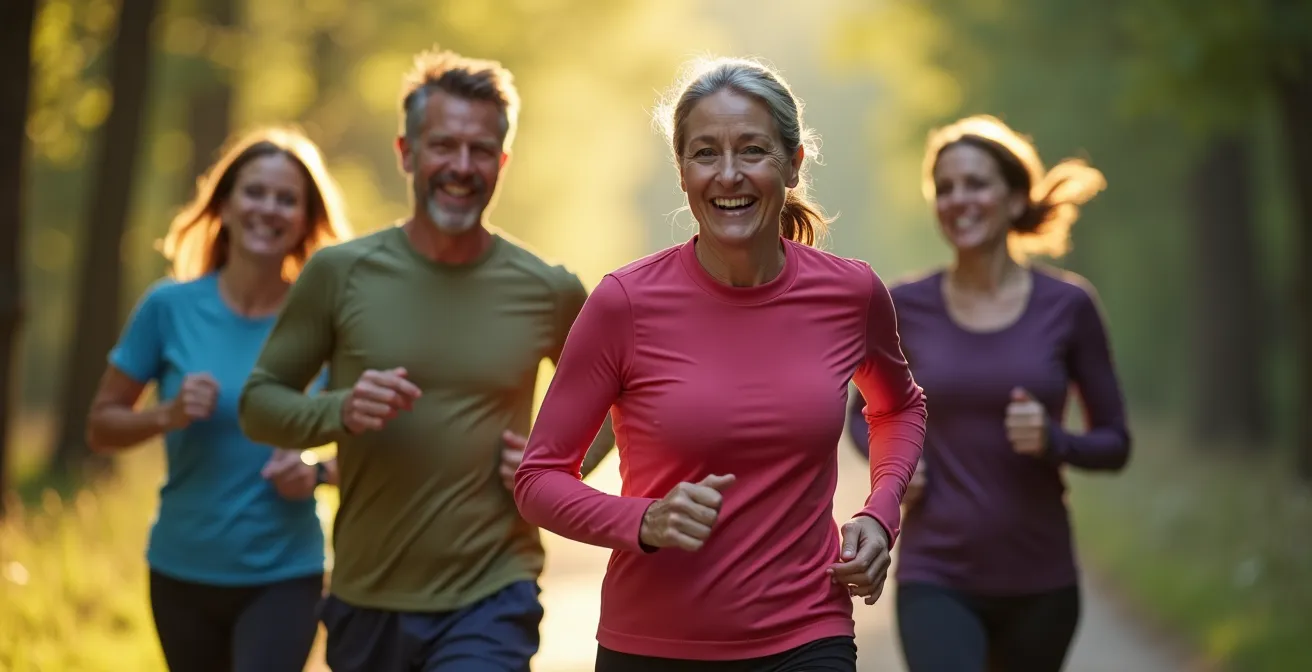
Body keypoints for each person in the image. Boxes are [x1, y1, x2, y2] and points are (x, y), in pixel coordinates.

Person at [513, 56, 927, 672]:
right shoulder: (624, 304)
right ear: (682, 171)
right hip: (653, 644)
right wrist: (645, 520)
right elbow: (539, 479)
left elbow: (898, 405)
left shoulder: (850, 294)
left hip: (807, 634)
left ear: (792, 164)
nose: (728, 175)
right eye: (705, 153)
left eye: (752, 150)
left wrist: (880, 510)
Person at [237, 46, 616, 672]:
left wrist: (564, 461)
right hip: (367, 596)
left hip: (493, 590)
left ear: (503, 161)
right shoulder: (339, 274)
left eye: (480, 151)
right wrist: (340, 410)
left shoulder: (547, 289)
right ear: (407, 152)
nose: (461, 166)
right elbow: (259, 404)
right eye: (443, 145)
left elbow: (622, 398)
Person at [844, 114, 1131, 671]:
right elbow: (862, 415)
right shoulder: (904, 305)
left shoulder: (1068, 307)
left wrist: (1054, 441)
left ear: (1016, 198)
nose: (957, 200)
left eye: (975, 183)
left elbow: (1115, 442)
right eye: (944, 188)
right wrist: (894, 465)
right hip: (936, 574)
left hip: (1040, 578)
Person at [85, 126, 352, 672]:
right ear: (224, 205)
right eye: (255, 192)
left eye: (287, 199)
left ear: (304, 220)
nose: (269, 209)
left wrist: (320, 474)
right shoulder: (169, 307)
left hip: (286, 570)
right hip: (182, 569)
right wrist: (167, 414)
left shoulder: (327, 318)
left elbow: (384, 444)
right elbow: (100, 427)